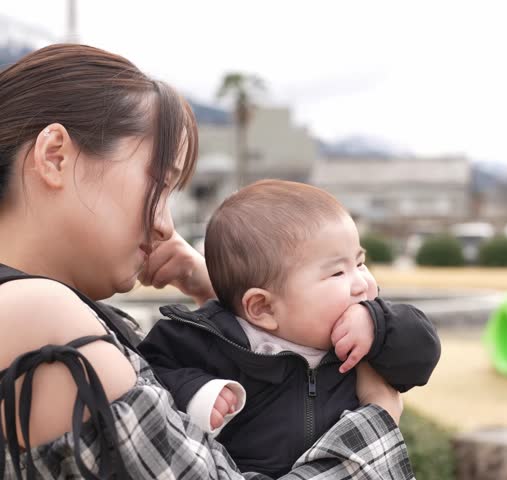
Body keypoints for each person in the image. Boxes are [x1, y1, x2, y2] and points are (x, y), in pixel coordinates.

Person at [0, 43, 413, 479]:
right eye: (160, 185)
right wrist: (378, 417)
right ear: (54, 157)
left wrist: (230, 294)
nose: (164, 225)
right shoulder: (38, 316)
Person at [138, 179, 441, 476]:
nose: (362, 283)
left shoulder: (364, 336)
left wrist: (379, 328)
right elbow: (151, 370)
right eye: (337, 272)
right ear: (263, 308)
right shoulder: (209, 338)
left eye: (359, 263)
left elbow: (422, 353)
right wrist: (197, 392)